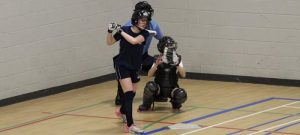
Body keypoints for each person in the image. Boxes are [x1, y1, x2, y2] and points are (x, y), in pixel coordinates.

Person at [106, 9, 151, 134]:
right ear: (136, 20)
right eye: (142, 20)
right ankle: (130, 125)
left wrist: (120, 31)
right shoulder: (125, 30)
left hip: (135, 66)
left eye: (146, 21)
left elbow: (134, 41)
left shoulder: (145, 34)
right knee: (129, 93)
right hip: (122, 65)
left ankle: (122, 111)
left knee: (132, 94)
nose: (144, 23)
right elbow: (109, 42)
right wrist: (110, 31)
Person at [115, 1, 163, 105]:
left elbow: (161, 39)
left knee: (161, 68)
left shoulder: (153, 25)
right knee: (124, 75)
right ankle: (120, 95)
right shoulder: (128, 26)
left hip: (143, 56)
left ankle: (159, 93)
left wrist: (163, 54)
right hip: (129, 57)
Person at [138, 36, 188, 112]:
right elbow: (149, 75)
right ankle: (146, 105)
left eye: (172, 46)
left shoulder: (177, 58)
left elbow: (183, 75)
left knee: (181, 94)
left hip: (172, 88)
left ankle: (176, 104)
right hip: (159, 88)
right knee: (150, 86)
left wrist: (177, 63)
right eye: (168, 46)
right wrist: (156, 64)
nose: (171, 48)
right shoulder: (157, 58)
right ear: (162, 47)